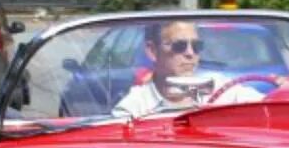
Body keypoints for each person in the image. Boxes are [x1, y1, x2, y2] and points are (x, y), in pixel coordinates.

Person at [111, 20, 263, 117]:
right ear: (153, 51)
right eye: (179, 46)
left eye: (197, 46)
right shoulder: (133, 110)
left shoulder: (221, 90)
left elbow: (268, 107)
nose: (190, 53)